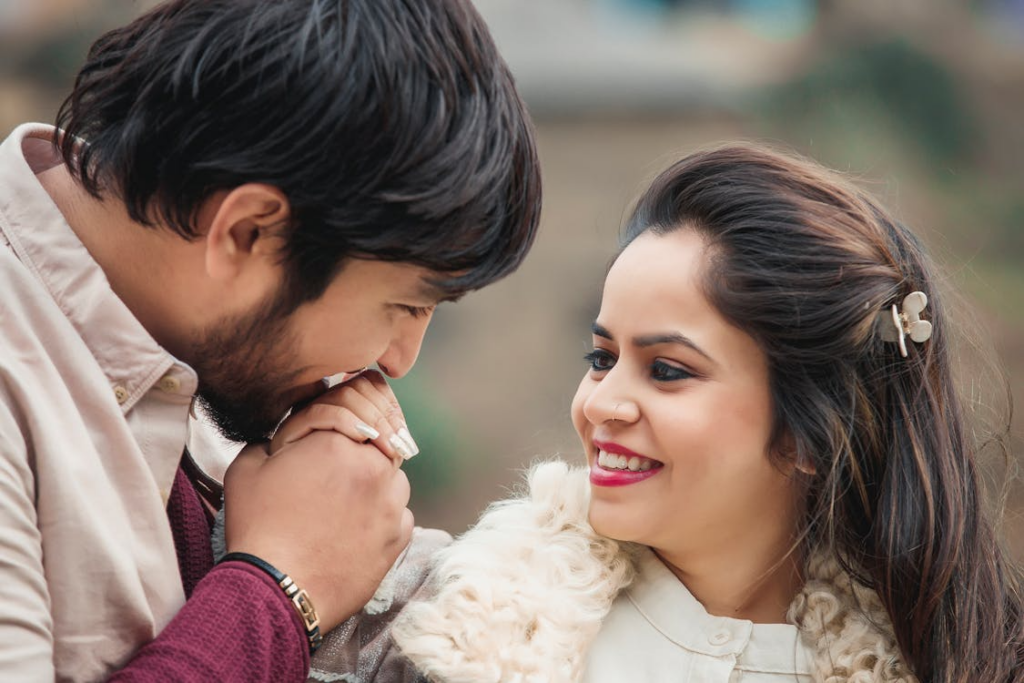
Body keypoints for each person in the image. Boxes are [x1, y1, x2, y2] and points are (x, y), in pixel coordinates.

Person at [277, 144, 1024, 683]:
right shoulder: (437, 623)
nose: (600, 403)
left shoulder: (963, 661)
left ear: (808, 432)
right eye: (600, 357)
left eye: (667, 370)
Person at [0, 0, 541, 680]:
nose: (400, 360)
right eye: (403, 304)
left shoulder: (200, 350)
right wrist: (281, 584)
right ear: (247, 233)